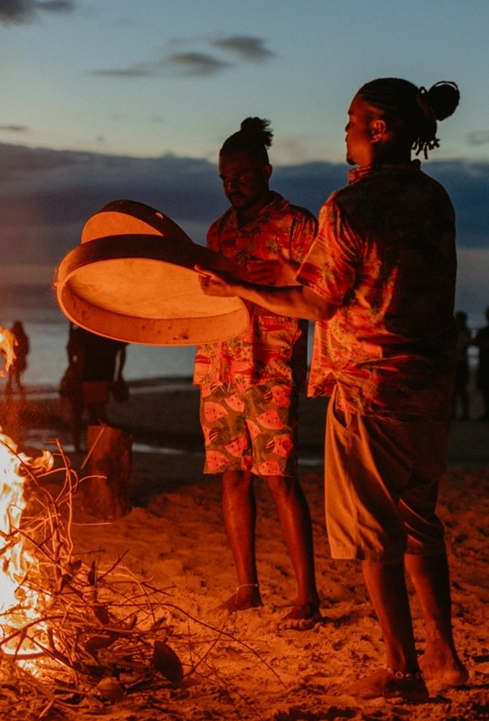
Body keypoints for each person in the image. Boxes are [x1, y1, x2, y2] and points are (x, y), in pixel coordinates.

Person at [198, 78, 468, 701]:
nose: (343, 132)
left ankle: (402, 672)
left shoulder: (347, 207)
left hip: (370, 388)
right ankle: (446, 658)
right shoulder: (436, 199)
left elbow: (316, 303)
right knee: (419, 522)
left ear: (379, 130)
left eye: (351, 121)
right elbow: (380, 272)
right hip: (428, 389)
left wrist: (243, 287)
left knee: (376, 536)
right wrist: (282, 270)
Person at [193, 117, 322, 631]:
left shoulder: (297, 224)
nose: (233, 185)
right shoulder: (218, 232)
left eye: (242, 175)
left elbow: (321, 294)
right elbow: (209, 299)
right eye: (225, 177)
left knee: (280, 480)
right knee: (232, 476)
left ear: (265, 171)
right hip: (220, 364)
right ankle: (247, 589)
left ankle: (307, 597)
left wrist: (289, 276)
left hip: (272, 366)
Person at [63, 323, 127, 453]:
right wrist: (119, 373)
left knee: (89, 412)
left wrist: (74, 373)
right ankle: (96, 444)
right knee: (95, 412)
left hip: (89, 376)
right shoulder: (108, 330)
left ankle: (91, 445)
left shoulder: (83, 332)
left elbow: (73, 351)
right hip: (102, 376)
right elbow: (122, 350)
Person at [5, 320, 30, 402]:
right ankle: (19, 395)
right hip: (17, 361)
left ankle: (10, 396)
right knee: (16, 379)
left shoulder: (12, 336)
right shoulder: (23, 337)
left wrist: (9, 356)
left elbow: (26, 350)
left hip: (15, 361)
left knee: (12, 378)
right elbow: (26, 350)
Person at [453, 311, 472, 420]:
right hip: (458, 361)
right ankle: (456, 412)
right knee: (456, 390)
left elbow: (463, 346)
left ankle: (464, 412)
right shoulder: (462, 332)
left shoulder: (464, 332)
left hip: (461, 362)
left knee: (461, 389)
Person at [475, 307, 489, 420]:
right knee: (484, 389)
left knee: (485, 390)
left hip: (484, 363)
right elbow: (476, 343)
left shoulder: (483, 332)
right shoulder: (483, 332)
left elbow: (476, 343)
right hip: (484, 363)